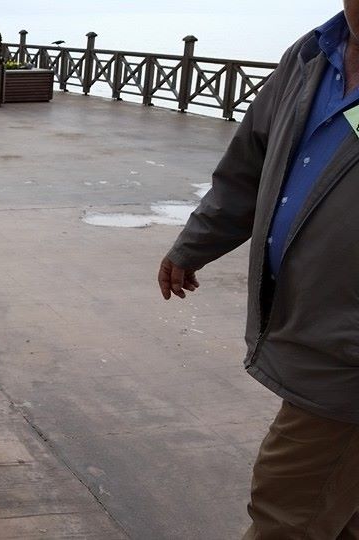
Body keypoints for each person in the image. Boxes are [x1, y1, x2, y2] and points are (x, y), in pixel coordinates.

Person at [158, 2, 359, 538]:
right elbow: (249, 165)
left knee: (284, 511)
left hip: (345, 367)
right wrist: (193, 245)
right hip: (312, 340)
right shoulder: (312, 55)